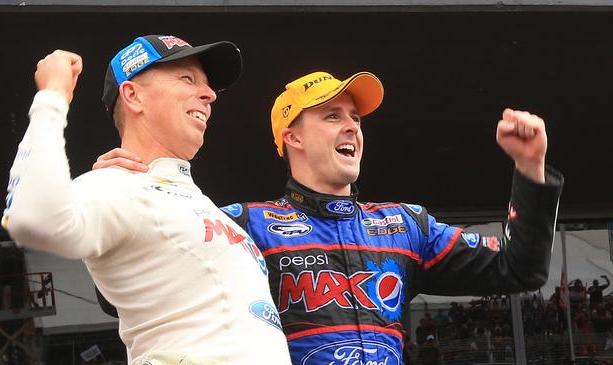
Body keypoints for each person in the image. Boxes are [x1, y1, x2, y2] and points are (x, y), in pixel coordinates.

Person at [95, 71, 564, 364]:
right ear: (292, 138)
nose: (351, 127)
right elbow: (121, 296)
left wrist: (530, 168)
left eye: (356, 119)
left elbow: (521, 268)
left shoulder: (405, 225)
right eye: (332, 116)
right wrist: (124, 204)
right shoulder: (242, 225)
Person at [1, 35, 291, 365]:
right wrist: (52, 97)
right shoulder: (117, 185)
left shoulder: (201, 206)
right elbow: (31, 217)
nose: (209, 94)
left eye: (208, 86)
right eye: (187, 78)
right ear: (133, 96)